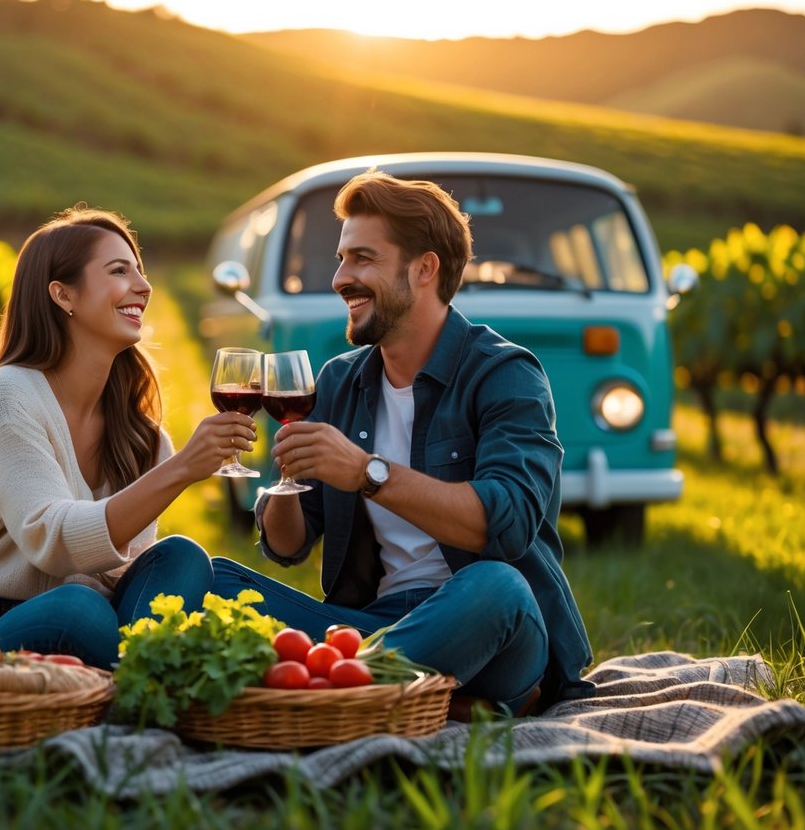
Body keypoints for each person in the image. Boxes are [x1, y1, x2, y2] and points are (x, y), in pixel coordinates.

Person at [211, 171, 593, 715]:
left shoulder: (505, 374)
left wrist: (367, 473)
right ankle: (412, 695)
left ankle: (327, 694)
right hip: (370, 626)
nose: (341, 278)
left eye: (362, 259)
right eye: (341, 259)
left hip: (487, 628)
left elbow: (504, 526)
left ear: (424, 269)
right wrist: (285, 480)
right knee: (207, 577)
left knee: (497, 586)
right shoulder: (338, 382)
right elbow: (289, 546)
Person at [0, 207, 256, 667]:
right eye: (119, 270)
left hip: (93, 626)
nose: (144, 286)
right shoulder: (8, 394)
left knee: (183, 558)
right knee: (78, 608)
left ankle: (132, 678)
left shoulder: (144, 440)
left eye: (140, 270)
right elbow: (54, 545)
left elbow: (117, 576)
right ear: (63, 295)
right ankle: (147, 679)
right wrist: (181, 471)